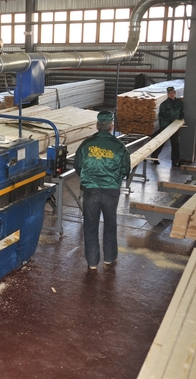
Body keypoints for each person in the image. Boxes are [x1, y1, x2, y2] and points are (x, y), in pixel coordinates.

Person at [74, 111, 131, 270]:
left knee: (90, 225)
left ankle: (92, 262)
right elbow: (125, 168)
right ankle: (109, 258)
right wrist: (114, 179)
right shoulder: (119, 146)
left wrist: (88, 179)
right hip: (111, 191)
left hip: (91, 191)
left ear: (97, 125)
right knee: (110, 224)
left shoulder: (86, 144)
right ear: (111, 126)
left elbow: (78, 166)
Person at [151, 86, 184, 167]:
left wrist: (180, 120)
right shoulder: (164, 104)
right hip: (166, 126)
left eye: (172, 93)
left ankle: (175, 160)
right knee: (161, 142)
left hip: (175, 125)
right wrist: (170, 121)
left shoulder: (179, 103)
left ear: (175, 93)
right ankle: (154, 157)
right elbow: (162, 116)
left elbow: (182, 112)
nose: (171, 94)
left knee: (175, 143)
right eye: (169, 93)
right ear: (167, 94)